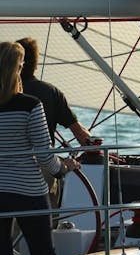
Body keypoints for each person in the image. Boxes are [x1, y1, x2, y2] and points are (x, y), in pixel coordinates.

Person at [0, 41, 81, 255]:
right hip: (28, 191)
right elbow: (45, 156)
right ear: (19, 68)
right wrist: (64, 167)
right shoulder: (30, 105)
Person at [17, 37, 91, 206]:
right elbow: (82, 137)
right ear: (36, 64)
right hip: (42, 172)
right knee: (43, 226)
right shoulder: (50, 92)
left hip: (8, 173)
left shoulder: (4, 93)